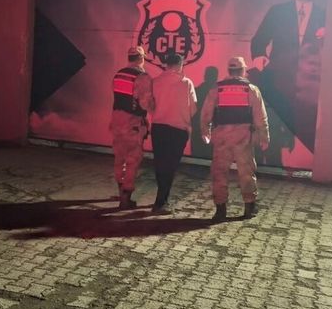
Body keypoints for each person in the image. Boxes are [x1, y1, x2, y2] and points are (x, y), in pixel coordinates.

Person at [249, 0, 325, 153]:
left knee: (305, 129)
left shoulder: (324, 15)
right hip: (279, 80)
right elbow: (259, 39)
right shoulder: (278, 11)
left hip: (310, 86)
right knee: (274, 123)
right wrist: (259, 57)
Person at [200, 56, 269, 222]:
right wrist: (264, 136)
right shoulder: (251, 89)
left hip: (222, 138)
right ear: (243, 70)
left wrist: (205, 131)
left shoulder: (217, 89)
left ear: (229, 70)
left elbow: (206, 114)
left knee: (219, 173)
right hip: (243, 137)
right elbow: (260, 116)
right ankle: (249, 207)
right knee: (246, 172)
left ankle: (220, 210)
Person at [149, 53, 197, 214]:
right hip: (177, 130)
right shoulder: (186, 83)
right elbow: (193, 108)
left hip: (158, 128)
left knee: (160, 163)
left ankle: (160, 198)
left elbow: (150, 104)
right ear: (180, 65)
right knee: (171, 165)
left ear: (166, 64)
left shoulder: (155, 82)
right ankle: (161, 201)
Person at [110, 46, 153, 209]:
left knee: (119, 157)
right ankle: (126, 198)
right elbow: (145, 103)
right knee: (132, 160)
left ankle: (120, 190)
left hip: (116, 120)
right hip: (132, 122)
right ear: (141, 58)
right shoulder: (142, 77)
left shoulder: (118, 74)